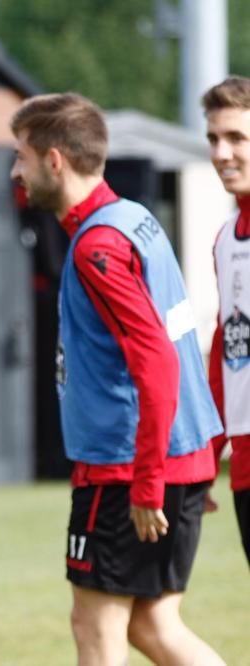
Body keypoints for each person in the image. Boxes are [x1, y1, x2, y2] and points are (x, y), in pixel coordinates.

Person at [9, 93, 225, 665]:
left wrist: (152, 480)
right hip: (176, 457)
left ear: (55, 160)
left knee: (95, 627)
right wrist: (188, 464)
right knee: (155, 627)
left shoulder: (98, 246)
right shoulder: (135, 218)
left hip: (127, 472)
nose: (16, 172)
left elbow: (156, 361)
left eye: (22, 157)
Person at [202, 75, 250, 568]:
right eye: (214, 138)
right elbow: (226, 352)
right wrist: (206, 455)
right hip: (244, 463)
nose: (221, 153)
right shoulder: (225, 239)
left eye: (237, 138)